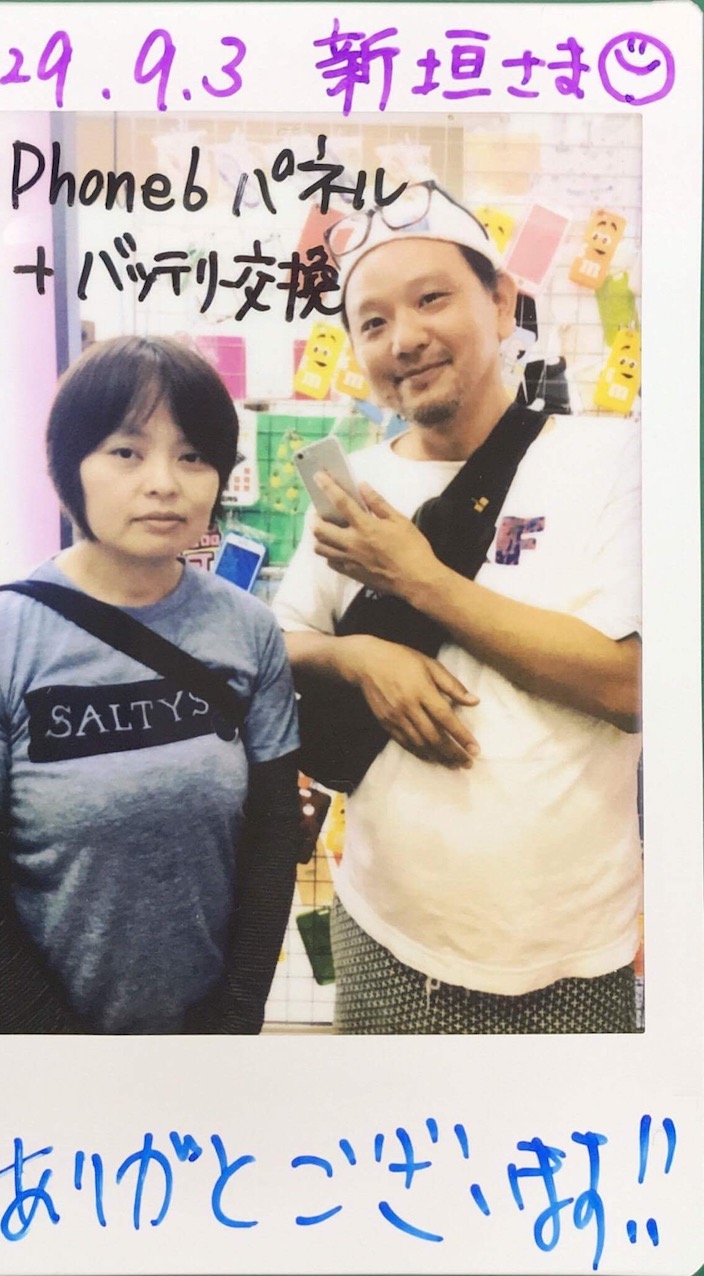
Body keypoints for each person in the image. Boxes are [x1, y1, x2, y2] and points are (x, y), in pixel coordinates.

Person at [273, 181, 642, 1034]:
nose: (404, 338)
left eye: (432, 298)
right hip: (385, 933)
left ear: (502, 302)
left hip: (573, 952)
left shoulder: (611, 460)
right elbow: (281, 637)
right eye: (372, 322)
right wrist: (360, 656)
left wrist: (421, 579)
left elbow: (632, 687)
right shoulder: (354, 484)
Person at [0, 335, 301, 1035]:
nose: (164, 483)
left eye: (193, 455)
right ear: (69, 464)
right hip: (51, 1048)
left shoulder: (249, 631)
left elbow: (272, 845)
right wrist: (65, 1055)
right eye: (126, 451)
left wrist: (235, 1019)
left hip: (210, 1036)